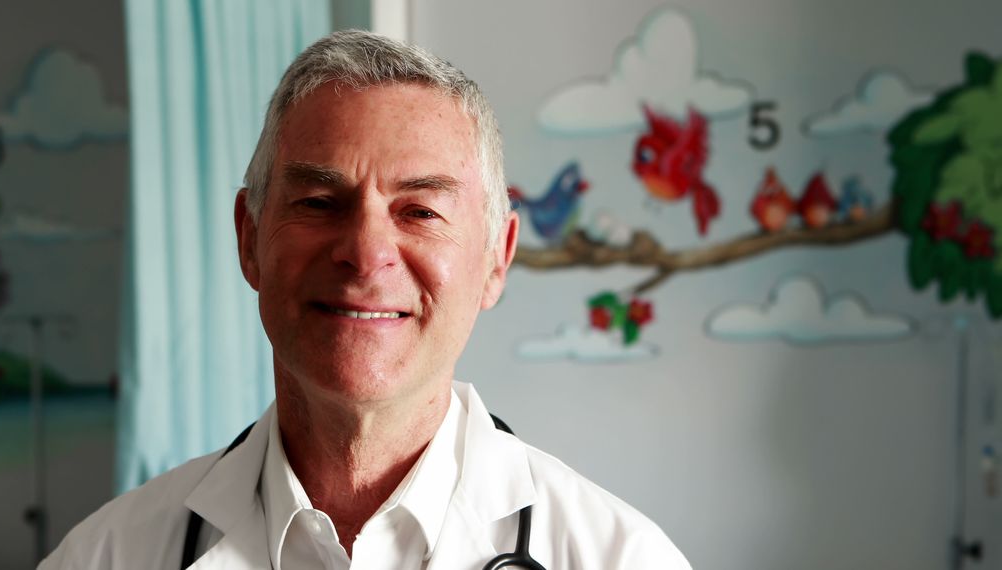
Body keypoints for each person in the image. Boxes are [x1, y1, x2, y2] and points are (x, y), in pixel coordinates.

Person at [40, 30, 691, 569]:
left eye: (420, 211)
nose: (365, 251)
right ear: (249, 239)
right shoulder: (105, 556)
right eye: (320, 203)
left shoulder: (624, 557)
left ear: (497, 257)